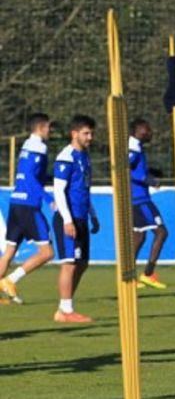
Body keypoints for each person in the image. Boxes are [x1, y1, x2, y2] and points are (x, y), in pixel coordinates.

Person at [0, 113, 56, 305]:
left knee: (8, 253)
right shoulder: (39, 147)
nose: (50, 131)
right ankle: (10, 280)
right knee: (47, 253)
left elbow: (28, 175)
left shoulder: (26, 146)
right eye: (49, 127)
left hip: (16, 203)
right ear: (40, 128)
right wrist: (49, 199)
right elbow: (31, 178)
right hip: (29, 207)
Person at [52, 115, 100, 323]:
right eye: (86, 133)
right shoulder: (66, 157)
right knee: (70, 263)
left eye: (91, 133)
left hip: (81, 217)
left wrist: (93, 215)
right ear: (74, 134)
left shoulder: (85, 156)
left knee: (82, 263)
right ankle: (65, 310)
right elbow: (59, 190)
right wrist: (67, 220)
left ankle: (66, 306)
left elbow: (84, 190)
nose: (90, 137)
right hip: (69, 218)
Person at [129, 118, 168, 289]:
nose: (150, 132)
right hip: (139, 200)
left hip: (137, 199)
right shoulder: (133, 147)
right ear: (136, 131)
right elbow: (123, 169)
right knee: (161, 232)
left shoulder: (137, 147)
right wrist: (147, 179)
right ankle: (148, 273)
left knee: (139, 237)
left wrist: (151, 172)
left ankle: (128, 275)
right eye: (146, 130)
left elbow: (134, 168)